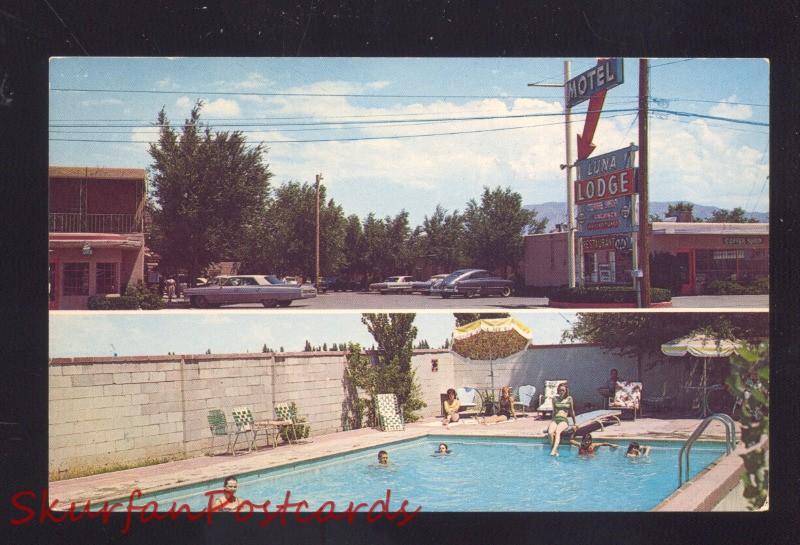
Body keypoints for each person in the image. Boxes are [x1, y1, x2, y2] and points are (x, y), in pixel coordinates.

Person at [547, 382, 577, 456]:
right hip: (555, 419)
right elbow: (554, 411)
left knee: (557, 432)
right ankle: (554, 450)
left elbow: (572, 411)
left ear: (566, 391)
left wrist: (575, 423)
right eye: (560, 390)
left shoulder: (569, 399)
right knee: (550, 432)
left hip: (564, 420)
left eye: (563, 390)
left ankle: (553, 450)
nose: (561, 392)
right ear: (558, 390)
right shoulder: (554, 399)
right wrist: (551, 422)